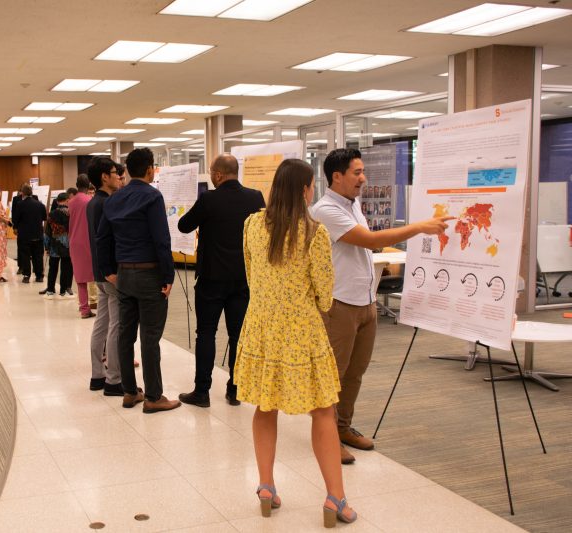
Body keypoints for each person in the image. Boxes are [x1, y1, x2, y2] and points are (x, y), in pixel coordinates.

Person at [234, 159, 355, 526]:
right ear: (305, 189)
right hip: (302, 331)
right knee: (322, 412)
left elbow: (252, 277)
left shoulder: (253, 225)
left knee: (265, 407)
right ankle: (336, 498)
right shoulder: (313, 233)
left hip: (261, 328)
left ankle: (267, 486)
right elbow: (325, 295)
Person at [311, 148, 451, 464]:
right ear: (337, 176)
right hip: (339, 303)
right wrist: (419, 228)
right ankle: (329, 435)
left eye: (363, 171)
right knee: (334, 375)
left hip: (365, 300)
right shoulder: (324, 210)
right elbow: (369, 240)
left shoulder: (352, 205)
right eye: (357, 172)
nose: (363, 178)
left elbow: (362, 247)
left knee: (355, 372)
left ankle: (343, 427)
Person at [96, 147, 180, 414]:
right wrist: (168, 276)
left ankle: (130, 392)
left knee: (125, 334)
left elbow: (102, 239)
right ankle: (154, 396)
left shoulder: (114, 200)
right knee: (150, 337)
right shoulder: (152, 197)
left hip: (124, 275)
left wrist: (108, 270)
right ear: (149, 169)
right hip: (150, 273)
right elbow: (161, 239)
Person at [177, 154, 265, 408]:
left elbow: (184, 226)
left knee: (206, 333)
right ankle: (235, 389)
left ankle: (202, 392)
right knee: (239, 335)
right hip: (243, 280)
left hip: (211, 280)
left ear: (217, 175)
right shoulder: (255, 197)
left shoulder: (208, 199)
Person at [86, 157, 124, 395]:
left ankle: (97, 375)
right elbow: (105, 240)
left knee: (101, 323)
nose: (118, 176)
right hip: (109, 273)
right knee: (116, 326)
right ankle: (113, 380)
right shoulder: (106, 203)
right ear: (104, 177)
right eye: (114, 173)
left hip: (99, 272)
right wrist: (111, 271)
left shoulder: (93, 203)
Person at [68, 174, 95, 318]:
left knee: (80, 278)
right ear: (88, 184)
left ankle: (84, 308)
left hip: (74, 241)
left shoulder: (71, 202)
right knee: (97, 275)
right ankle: (99, 306)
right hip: (88, 241)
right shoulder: (90, 201)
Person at [11, 184, 46, 283]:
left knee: (25, 255)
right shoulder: (40, 204)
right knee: (38, 255)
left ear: (22, 193)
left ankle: (27, 275)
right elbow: (44, 217)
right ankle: (39, 276)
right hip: (38, 233)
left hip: (24, 234)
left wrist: (15, 227)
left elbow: (15, 219)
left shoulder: (20, 204)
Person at [41, 193, 73, 299]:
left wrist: (46, 246)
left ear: (58, 201)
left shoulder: (52, 214)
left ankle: (50, 290)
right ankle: (63, 291)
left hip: (54, 245)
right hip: (67, 245)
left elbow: (47, 233)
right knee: (65, 268)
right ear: (67, 200)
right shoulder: (71, 213)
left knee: (53, 268)